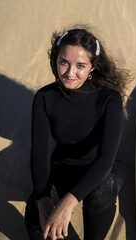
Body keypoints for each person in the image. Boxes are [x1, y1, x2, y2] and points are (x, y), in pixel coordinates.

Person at [25, 26, 130, 240]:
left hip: (104, 168)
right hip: (64, 167)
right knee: (37, 219)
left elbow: (105, 160)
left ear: (92, 67)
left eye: (80, 66)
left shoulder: (109, 99)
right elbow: (40, 154)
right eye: (64, 62)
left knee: (100, 195)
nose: (70, 73)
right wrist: (45, 203)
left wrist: (66, 204)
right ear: (56, 60)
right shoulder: (44, 98)